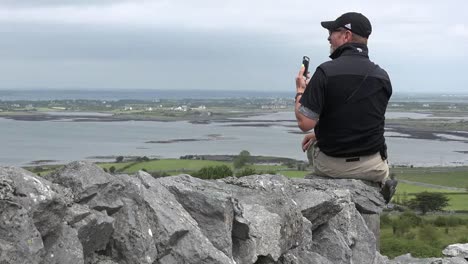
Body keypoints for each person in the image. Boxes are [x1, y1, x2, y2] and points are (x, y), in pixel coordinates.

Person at [294, 12, 397, 203]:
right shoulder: (382, 76)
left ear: (346, 36)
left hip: (331, 167)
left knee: (312, 147)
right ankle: (379, 186)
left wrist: (300, 90)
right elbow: (361, 117)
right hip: (373, 167)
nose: (328, 38)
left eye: (332, 33)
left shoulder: (325, 71)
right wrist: (320, 133)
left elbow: (305, 123)